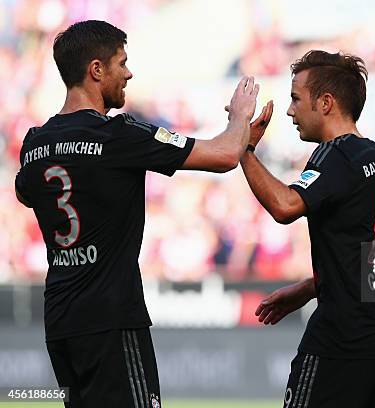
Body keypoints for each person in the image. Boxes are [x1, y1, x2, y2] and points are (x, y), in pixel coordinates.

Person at [14, 20, 259, 407]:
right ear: (97, 70)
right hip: (111, 317)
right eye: (121, 63)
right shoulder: (119, 136)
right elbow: (225, 154)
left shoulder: (34, 142)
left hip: (61, 321)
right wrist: (240, 117)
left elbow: (27, 194)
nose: (129, 73)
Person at [242, 50, 375, 407]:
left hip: (346, 332)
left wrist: (244, 150)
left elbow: (285, 206)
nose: (291, 111)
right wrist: (313, 286)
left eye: (296, 98)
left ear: (325, 103)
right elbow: (366, 249)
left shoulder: (334, 153)